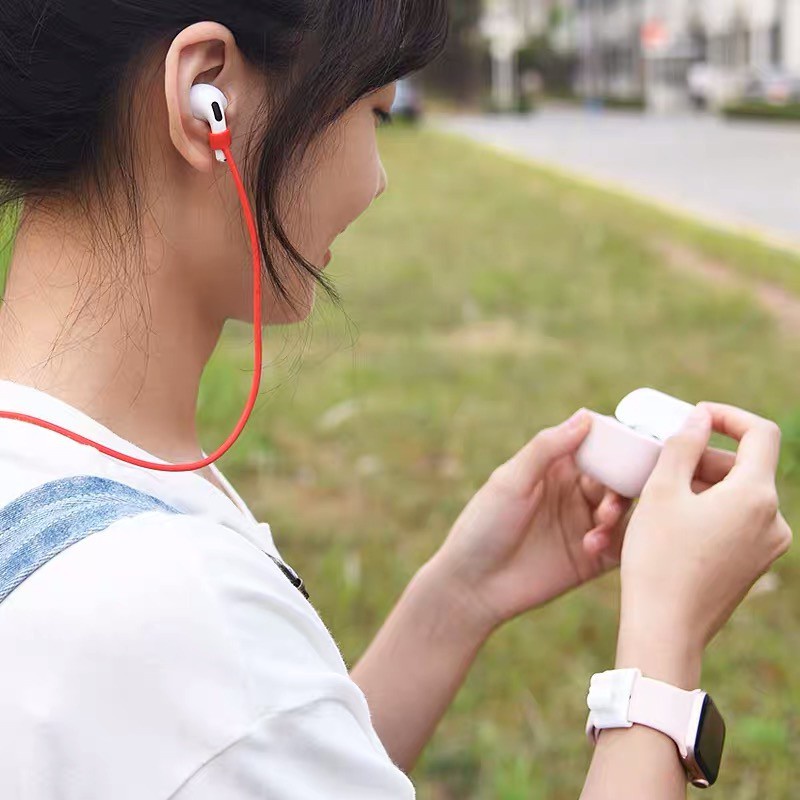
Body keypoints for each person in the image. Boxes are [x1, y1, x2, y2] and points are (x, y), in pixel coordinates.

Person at [0, 2, 791, 798]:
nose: (377, 179)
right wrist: (662, 646)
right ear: (207, 95)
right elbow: (231, 726)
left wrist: (459, 598)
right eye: (374, 109)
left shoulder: (65, 469)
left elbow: (248, 762)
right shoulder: (171, 613)